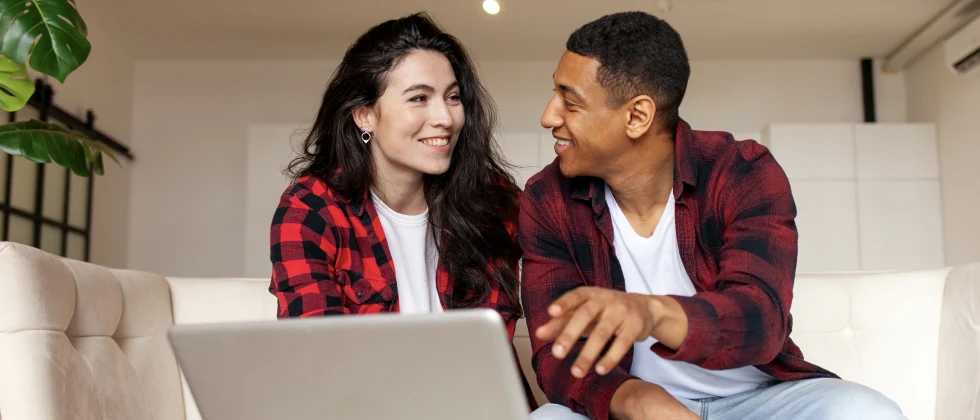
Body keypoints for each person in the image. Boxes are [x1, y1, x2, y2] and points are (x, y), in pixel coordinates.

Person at [520, 11, 905, 420]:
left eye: (570, 103)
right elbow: (557, 354)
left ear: (637, 116)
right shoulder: (547, 199)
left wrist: (650, 313)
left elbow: (760, 318)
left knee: (865, 411)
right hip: (637, 408)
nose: (548, 116)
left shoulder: (741, 171)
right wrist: (638, 400)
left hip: (759, 402)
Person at [268, 12, 537, 410]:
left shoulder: (495, 203)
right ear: (365, 115)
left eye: (453, 97)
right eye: (419, 98)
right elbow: (320, 363)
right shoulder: (311, 210)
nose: (445, 118)